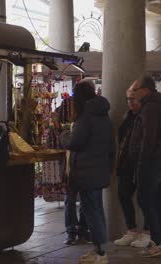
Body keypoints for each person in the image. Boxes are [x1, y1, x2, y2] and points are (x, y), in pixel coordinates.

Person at [60, 80, 114, 264]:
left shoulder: (86, 116)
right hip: (98, 170)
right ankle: (98, 249)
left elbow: (75, 142)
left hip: (86, 172)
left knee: (92, 211)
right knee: (96, 209)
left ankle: (100, 253)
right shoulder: (102, 115)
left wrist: (64, 135)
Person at [130, 75, 161, 257]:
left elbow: (149, 137)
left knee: (145, 199)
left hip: (152, 160)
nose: (133, 93)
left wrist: (142, 159)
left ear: (145, 89)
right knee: (157, 200)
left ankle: (158, 240)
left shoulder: (151, 107)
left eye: (135, 89)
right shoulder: (160, 103)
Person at [114, 87, 151, 248]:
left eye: (133, 99)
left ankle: (148, 232)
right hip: (127, 164)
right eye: (128, 99)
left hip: (142, 164)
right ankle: (132, 230)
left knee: (145, 199)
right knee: (123, 194)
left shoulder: (146, 117)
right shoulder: (128, 117)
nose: (130, 102)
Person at [58, 97, 90, 245]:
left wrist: (64, 134)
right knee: (72, 201)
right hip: (72, 168)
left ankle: (79, 230)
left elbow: (71, 143)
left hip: (78, 167)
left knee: (79, 201)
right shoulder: (76, 123)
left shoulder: (80, 124)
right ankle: (73, 230)